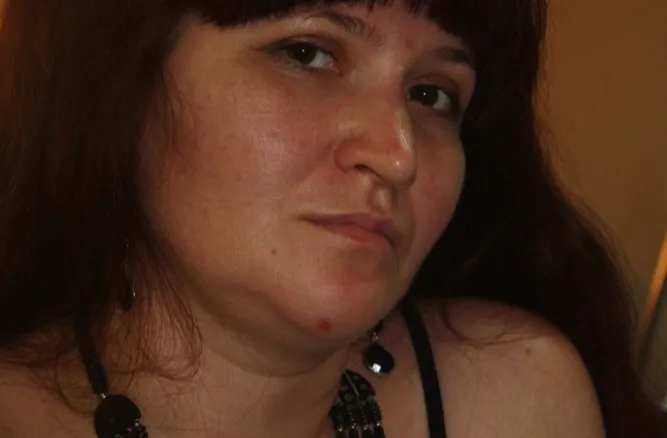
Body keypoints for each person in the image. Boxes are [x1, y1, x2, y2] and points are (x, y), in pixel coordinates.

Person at [0, 0, 661, 437]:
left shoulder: (512, 397)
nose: (398, 155)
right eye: (307, 54)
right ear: (122, 83)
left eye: (431, 95)